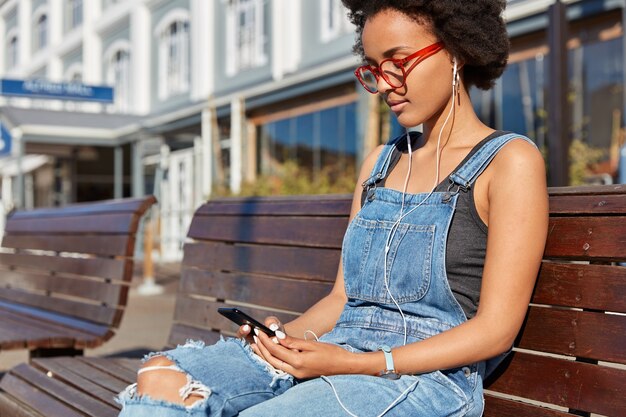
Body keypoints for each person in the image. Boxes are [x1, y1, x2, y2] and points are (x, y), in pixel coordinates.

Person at [116, 0, 548, 415]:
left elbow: (496, 330)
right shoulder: (379, 164)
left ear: (456, 49)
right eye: (375, 69)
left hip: (423, 380)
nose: (383, 84)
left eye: (399, 62)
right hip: (339, 351)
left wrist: (358, 363)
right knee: (160, 377)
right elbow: (343, 299)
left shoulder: (509, 161)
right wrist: (283, 341)